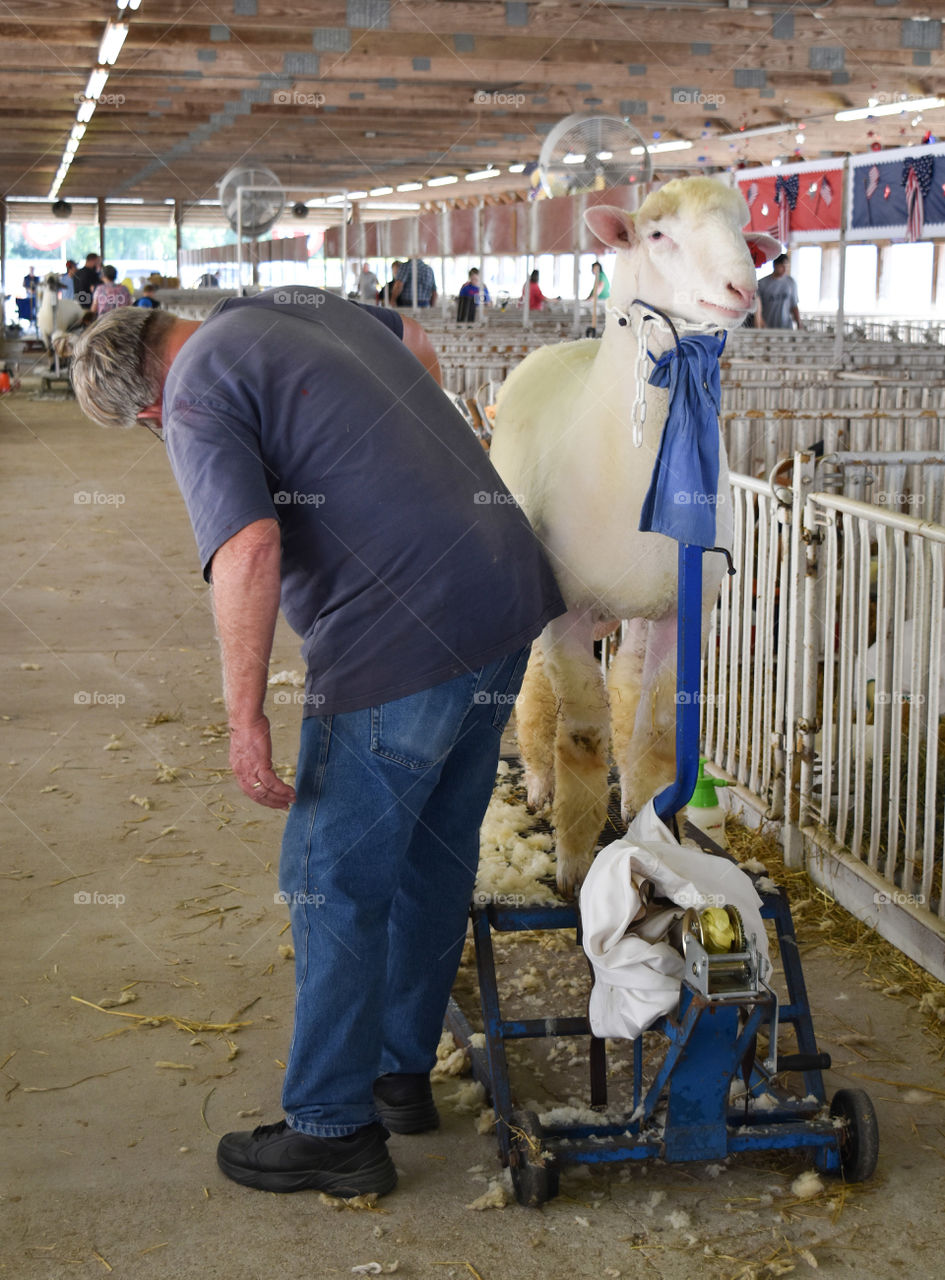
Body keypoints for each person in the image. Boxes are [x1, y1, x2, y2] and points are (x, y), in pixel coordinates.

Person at [68, 290, 565, 1201]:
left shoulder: (192, 393)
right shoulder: (274, 311)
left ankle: (333, 1129)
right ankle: (397, 1074)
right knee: (432, 856)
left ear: (145, 402)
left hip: (400, 634)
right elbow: (418, 348)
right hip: (502, 592)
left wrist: (244, 714)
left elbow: (249, 547)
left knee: (329, 878)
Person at [756, 253, 802, 330]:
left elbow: (794, 305)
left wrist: (799, 323)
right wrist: (760, 323)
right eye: (782, 266)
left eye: (786, 266)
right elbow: (758, 308)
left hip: (786, 327)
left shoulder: (791, 282)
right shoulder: (762, 283)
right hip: (768, 326)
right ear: (775, 265)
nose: (784, 269)